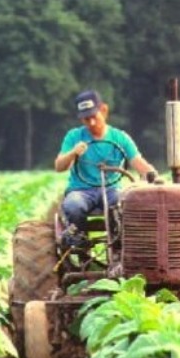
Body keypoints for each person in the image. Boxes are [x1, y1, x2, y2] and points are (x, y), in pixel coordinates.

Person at [54, 89, 159, 249]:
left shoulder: (120, 137)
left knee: (124, 204)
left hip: (111, 189)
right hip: (81, 190)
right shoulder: (74, 136)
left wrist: (154, 176)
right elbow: (59, 166)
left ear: (103, 110)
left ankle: (119, 245)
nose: (91, 123)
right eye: (86, 119)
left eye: (94, 116)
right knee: (73, 205)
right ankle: (80, 242)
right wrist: (73, 153)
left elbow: (137, 162)